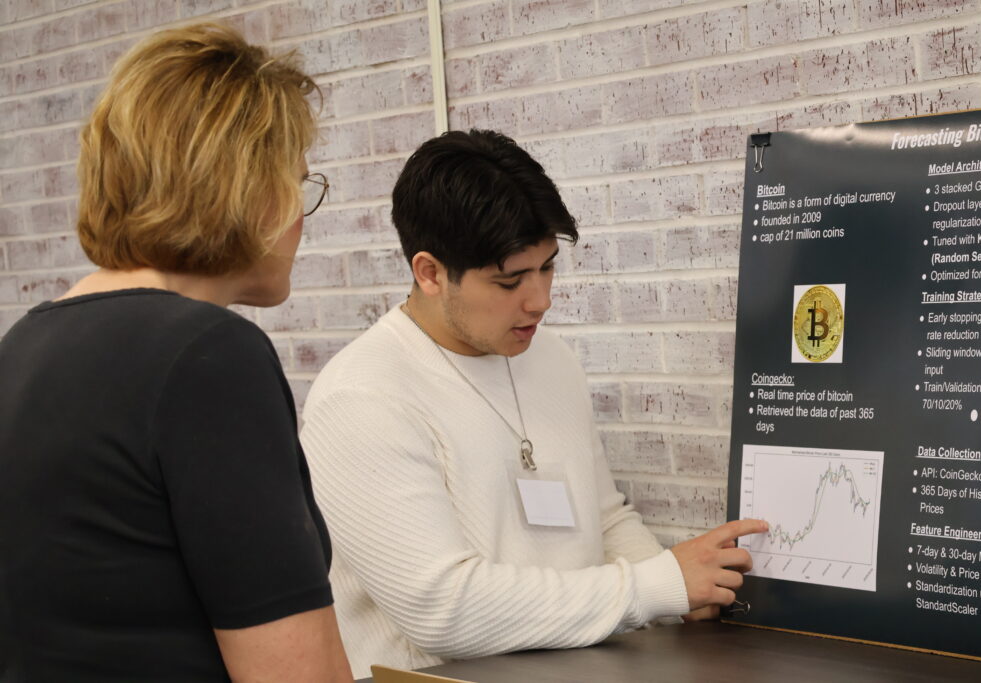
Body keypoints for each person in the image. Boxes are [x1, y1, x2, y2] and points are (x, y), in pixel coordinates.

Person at [300, 128, 767, 678]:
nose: (540, 300)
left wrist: (684, 591)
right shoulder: (362, 396)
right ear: (429, 273)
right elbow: (444, 610)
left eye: (547, 267)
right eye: (509, 281)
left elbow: (603, 519)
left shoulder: (550, 359)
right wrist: (657, 585)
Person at [0, 24, 353, 682]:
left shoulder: (21, 348)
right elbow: (295, 673)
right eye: (298, 182)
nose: (304, 214)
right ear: (248, 187)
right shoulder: (209, 358)